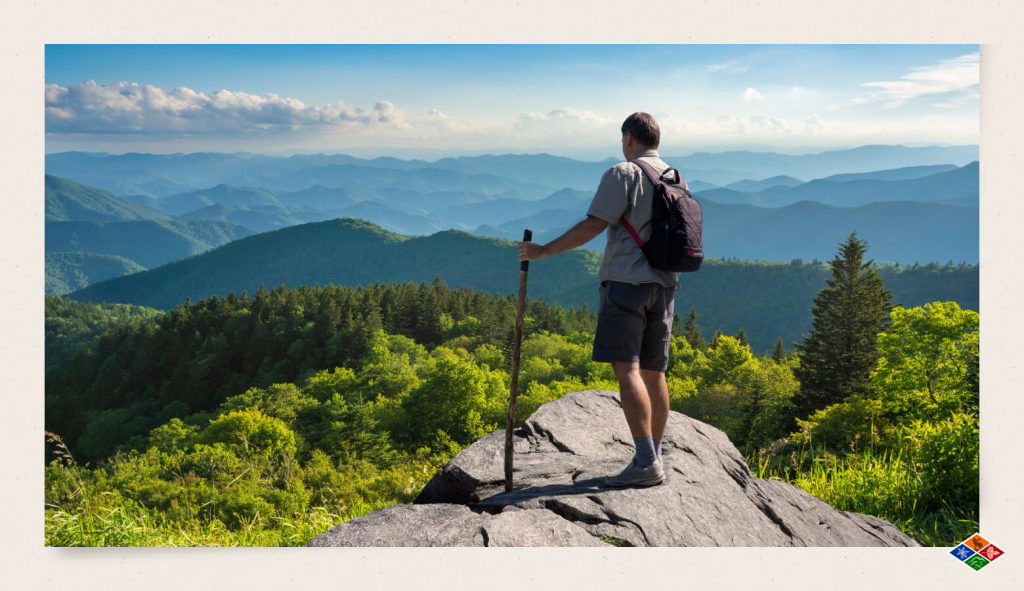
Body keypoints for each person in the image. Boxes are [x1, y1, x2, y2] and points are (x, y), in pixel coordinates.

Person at [518, 111, 680, 488]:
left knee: (628, 369)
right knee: (656, 372)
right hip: (666, 284)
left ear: (628, 138)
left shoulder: (623, 173)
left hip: (627, 282)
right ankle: (653, 456)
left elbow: (594, 223)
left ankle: (645, 462)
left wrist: (542, 251)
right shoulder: (673, 176)